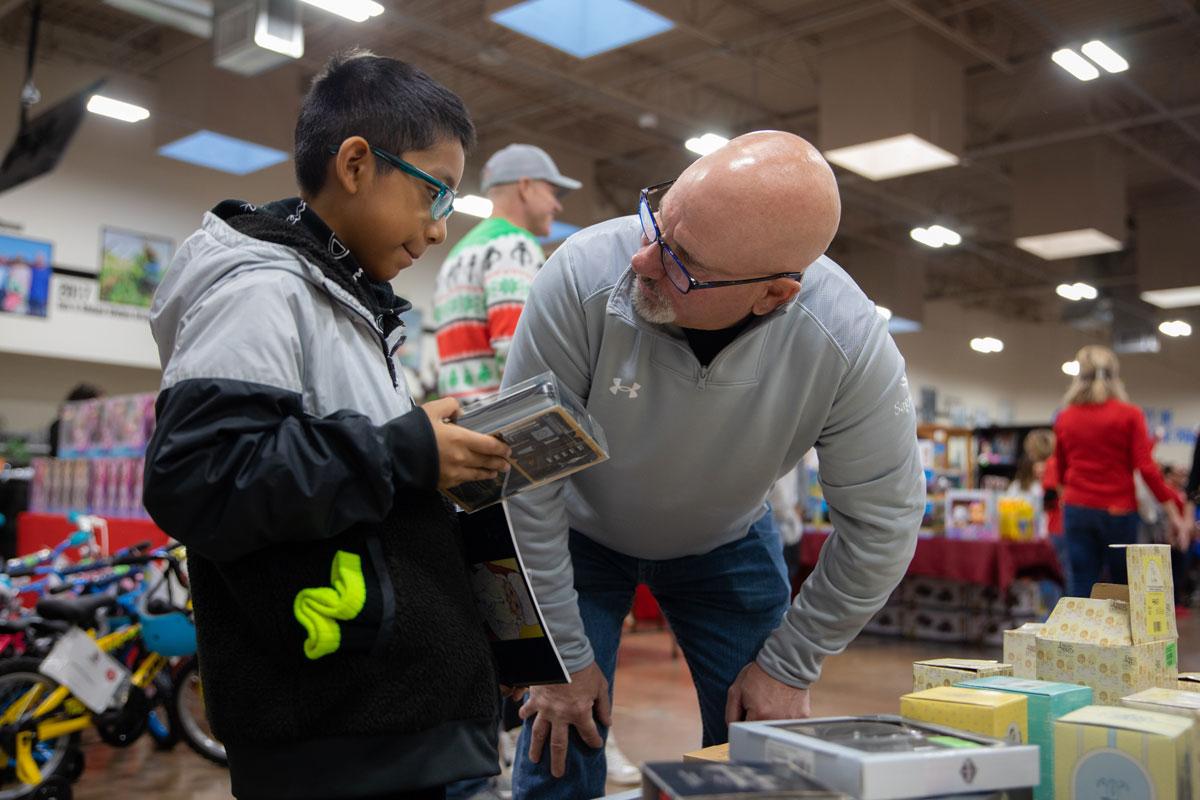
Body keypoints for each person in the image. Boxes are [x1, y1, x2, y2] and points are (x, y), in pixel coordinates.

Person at [500, 131, 925, 798]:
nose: (642, 259)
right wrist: (555, 655)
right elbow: (523, 484)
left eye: (683, 262)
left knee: (761, 751)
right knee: (558, 736)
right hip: (575, 535)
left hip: (726, 541)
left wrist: (792, 665)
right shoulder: (583, 275)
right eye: (657, 223)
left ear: (774, 295)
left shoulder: (844, 342)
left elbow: (886, 521)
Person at [142, 51, 514, 800]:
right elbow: (200, 478)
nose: (440, 229)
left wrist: (419, 441)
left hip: (395, 720)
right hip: (340, 734)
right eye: (436, 193)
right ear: (354, 163)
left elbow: (331, 469)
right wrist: (405, 449)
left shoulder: (343, 297)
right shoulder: (261, 293)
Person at [434, 144, 580, 402]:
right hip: (499, 425)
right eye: (552, 192)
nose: (557, 206)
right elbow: (516, 350)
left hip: (463, 419)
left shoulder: (460, 252)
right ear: (525, 187)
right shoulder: (514, 244)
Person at [1053, 345, 1187, 598]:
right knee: (1122, 587)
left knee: (1080, 584)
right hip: (1118, 509)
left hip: (1077, 508)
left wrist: (1070, 502)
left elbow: (1060, 470)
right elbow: (1146, 469)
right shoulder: (1129, 415)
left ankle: (1077, 637)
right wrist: (1173, 513)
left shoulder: (1066, 416)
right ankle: (1119, 638)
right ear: (1115, 375)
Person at [47, 383, 103, 457]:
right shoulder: (60, 426)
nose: (98, 411)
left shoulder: (97, 427)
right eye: (94, 406)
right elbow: (57, 453)